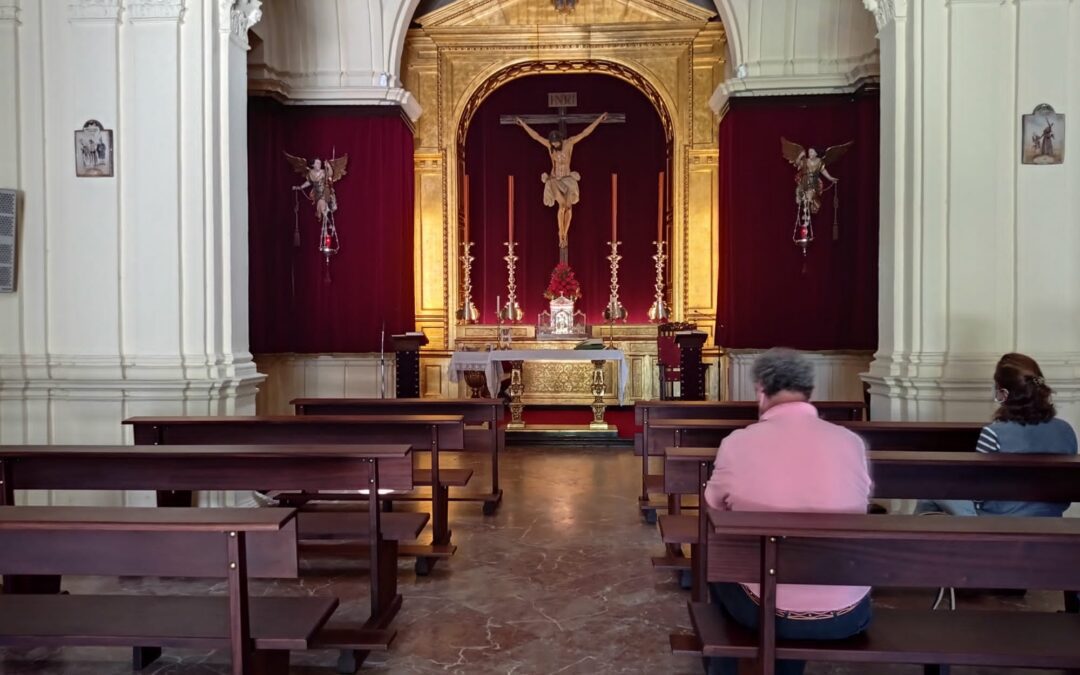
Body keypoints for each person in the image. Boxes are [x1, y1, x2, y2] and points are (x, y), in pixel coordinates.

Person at [704, 348, 872, 675]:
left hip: (764, 611)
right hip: (848, 611)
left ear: (760, 391)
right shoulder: (850, 442)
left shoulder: (738, 442)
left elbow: (713, 506)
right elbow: (860, 505)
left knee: (717, 561)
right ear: (810, 392)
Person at [917, 352, 1078, 517]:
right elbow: (1068, 490)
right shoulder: (1066, 430)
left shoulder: (994, 433)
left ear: (1002, 393)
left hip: (997, 521)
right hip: (1051, 518)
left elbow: (979, 496)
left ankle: (923, 541)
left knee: (928, 484)